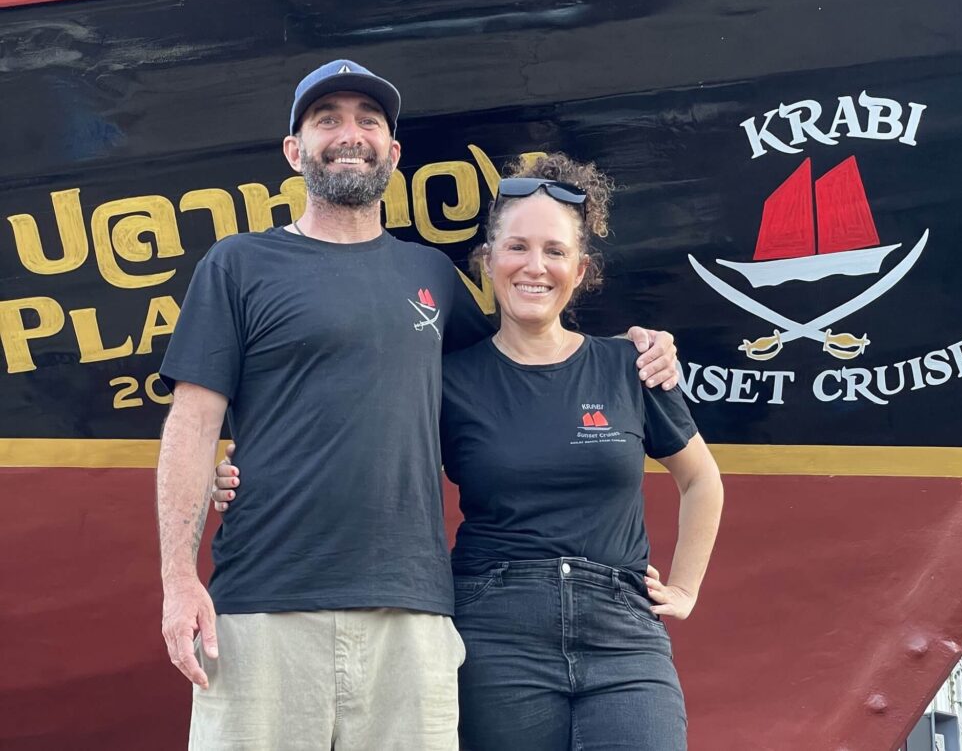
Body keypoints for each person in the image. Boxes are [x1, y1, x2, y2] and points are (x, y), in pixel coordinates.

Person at [156, 59, 681, 751]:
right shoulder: (237, 265)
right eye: (327, 121)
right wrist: (178, 580)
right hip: (263, 603)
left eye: (368, 121)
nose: (351, 134)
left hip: (414, 618)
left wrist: (633, 349)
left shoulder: (429, 273)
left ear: (393, 153)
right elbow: (192, 423)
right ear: (295, 151)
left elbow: (525, 352)